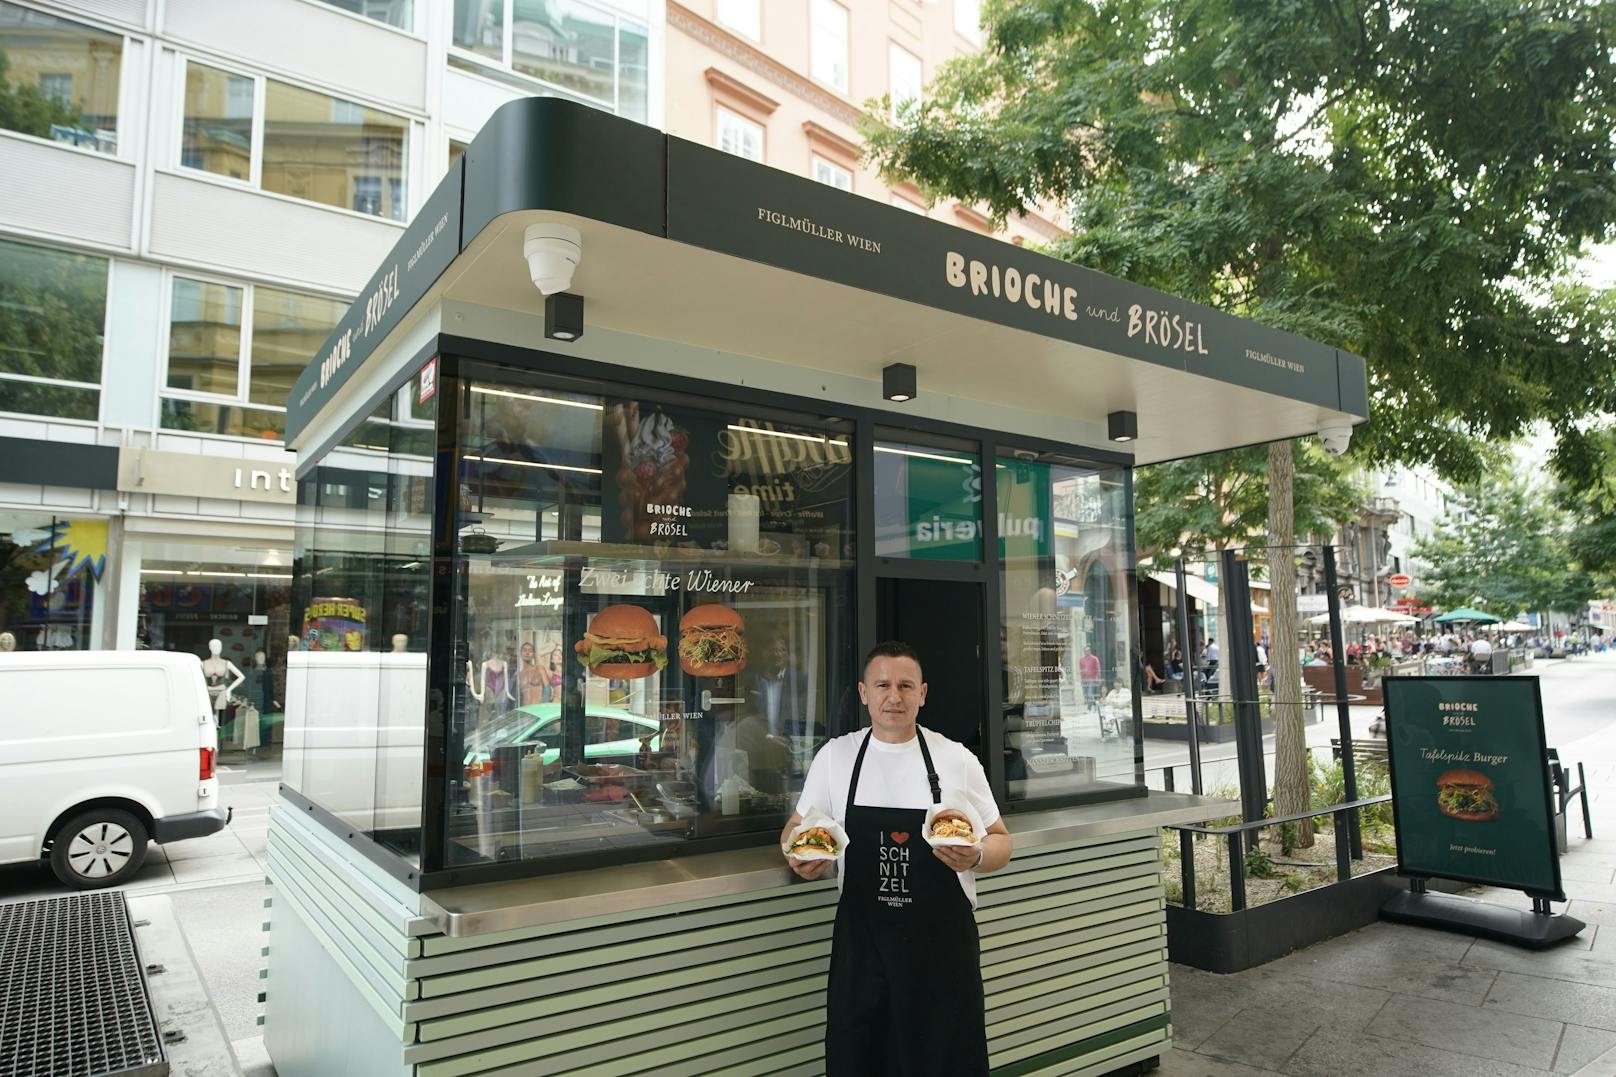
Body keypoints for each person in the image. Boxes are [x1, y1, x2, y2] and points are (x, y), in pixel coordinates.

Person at [781, 642, 1010, 1077]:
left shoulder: (956, 759)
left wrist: (975, 856)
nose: (894, 696)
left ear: (922, 693)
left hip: (942, 955)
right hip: (863, 952)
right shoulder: (836, 758)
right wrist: (801, 858)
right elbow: (795, 830)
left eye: (906, 686)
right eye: (883, 685)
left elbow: (1001, 842)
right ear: (864, 693)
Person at [748, 636, 810, 738]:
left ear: (788, 655)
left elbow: (803, 717)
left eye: (782, 650)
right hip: (758, 742)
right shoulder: (754, 680)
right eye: (773, 650)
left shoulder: (799, 681)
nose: (777, 654)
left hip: (788, 743)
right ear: (765, 653)